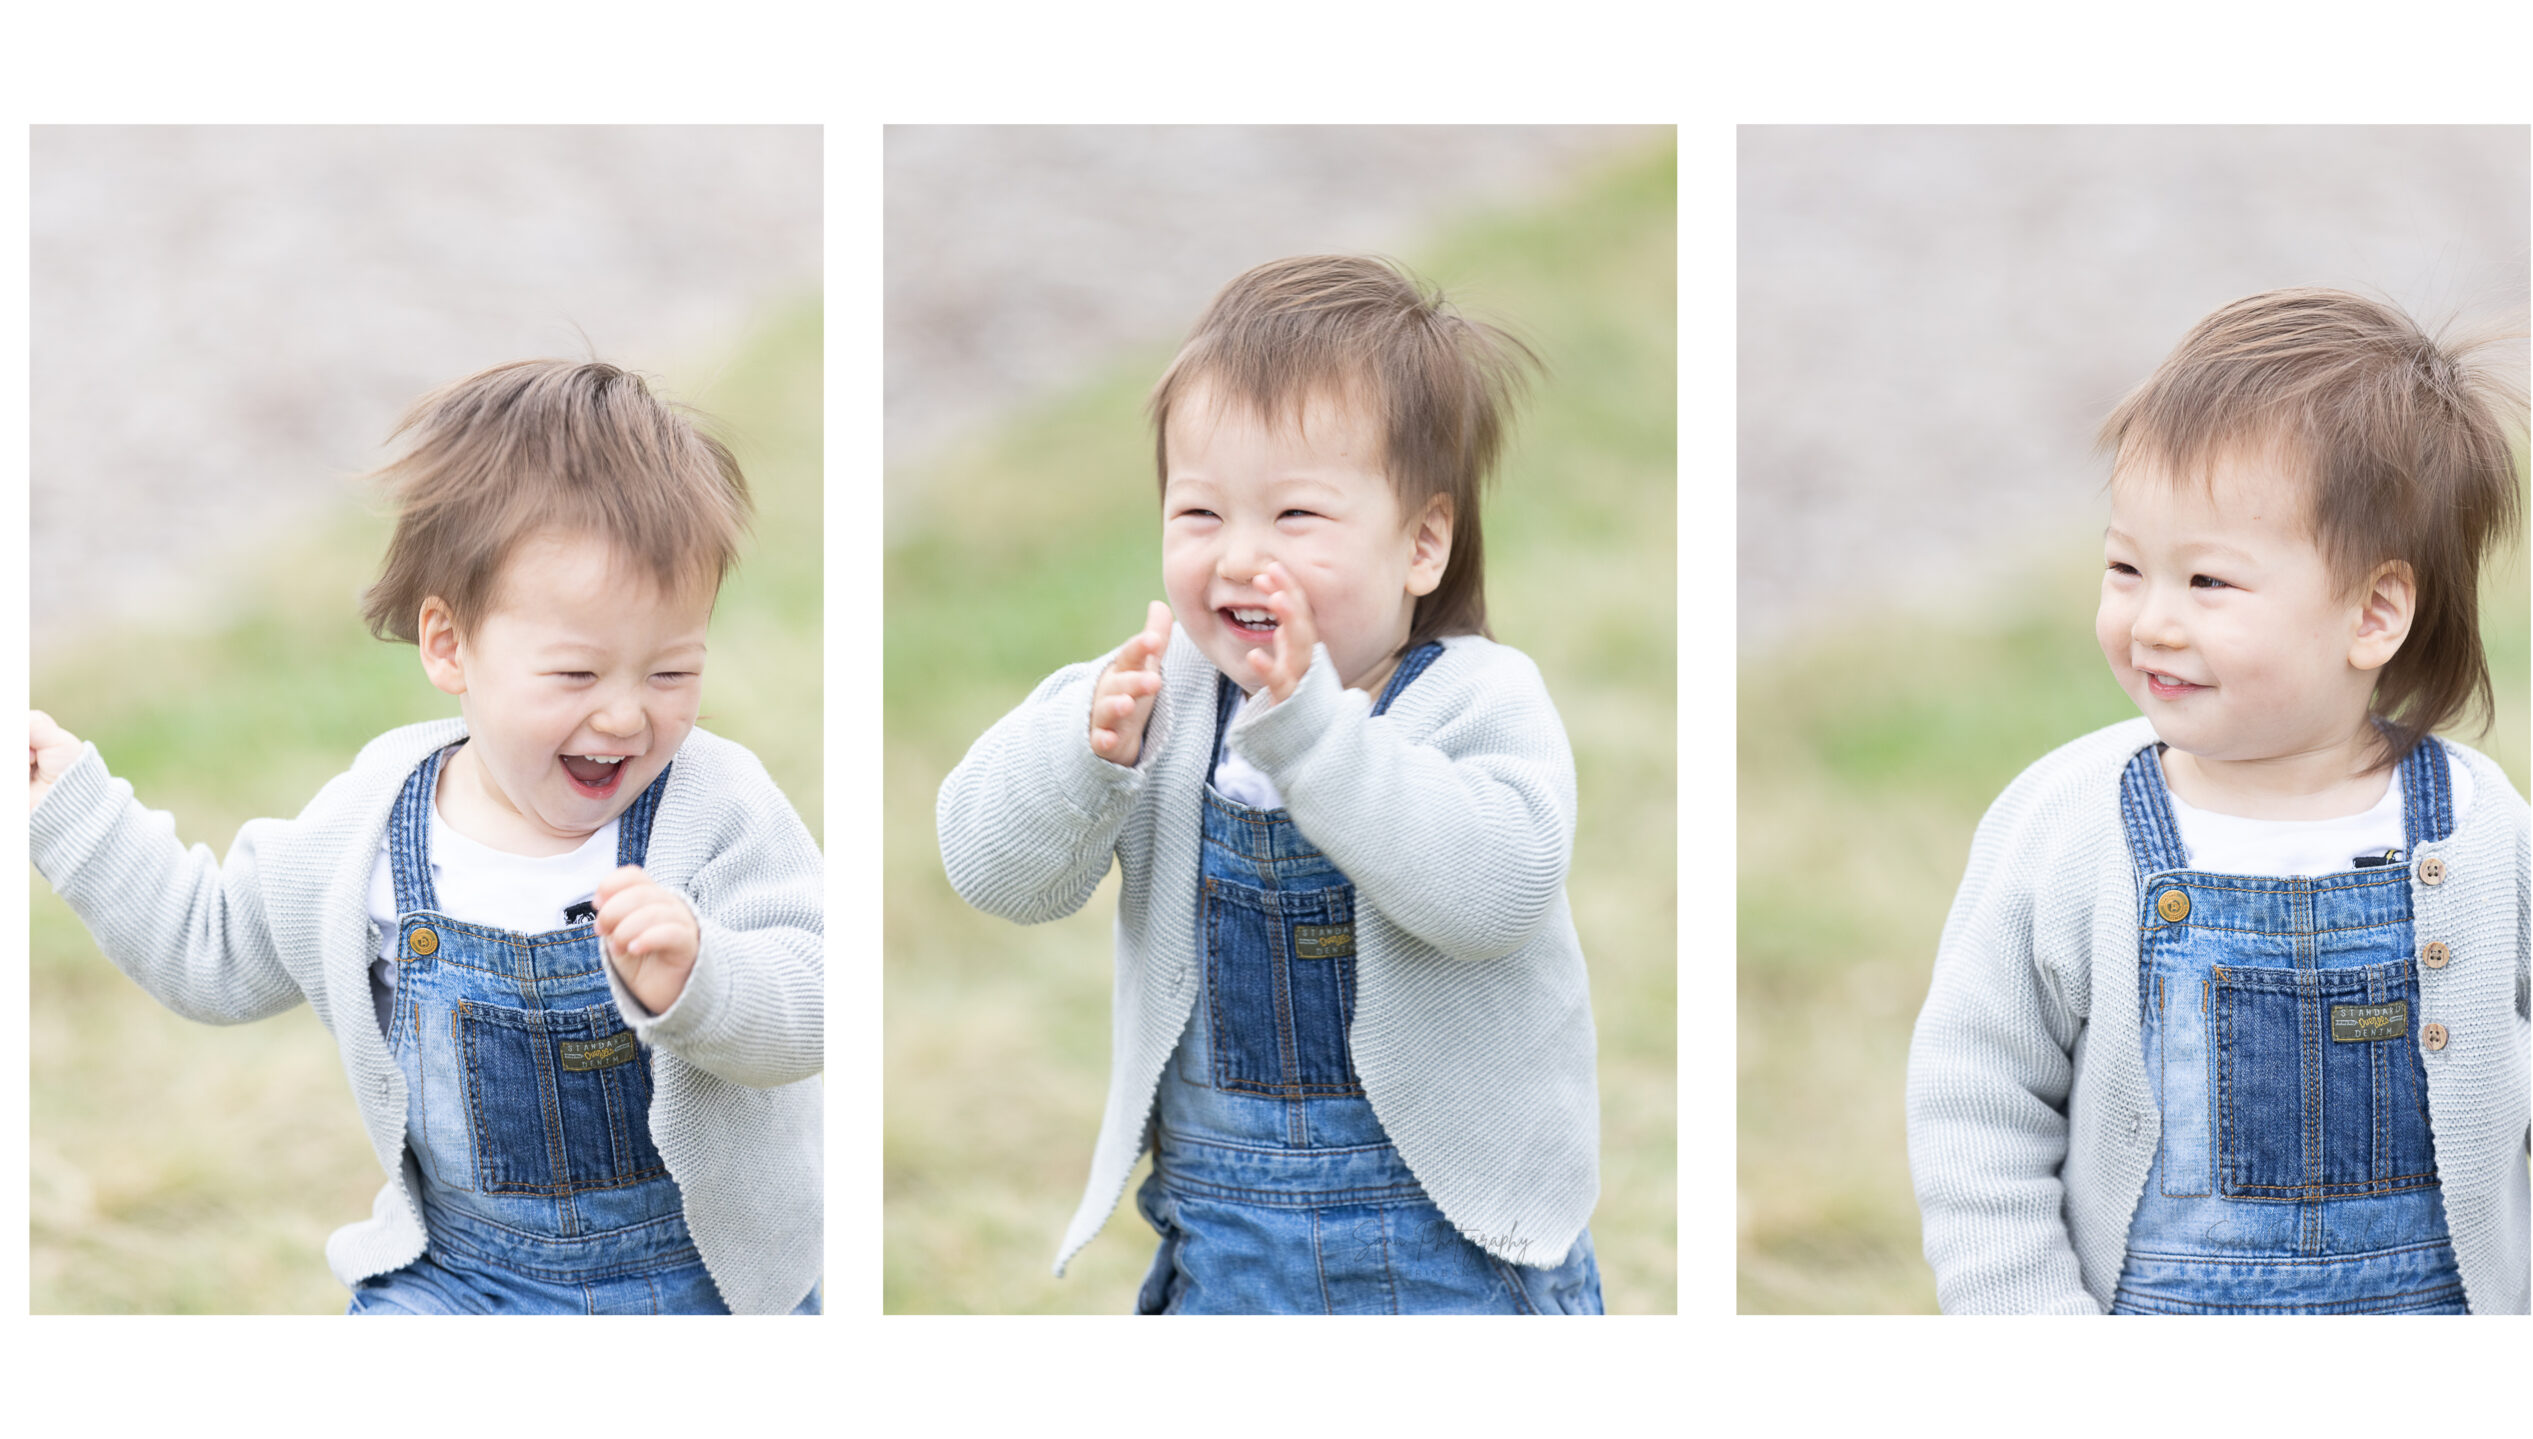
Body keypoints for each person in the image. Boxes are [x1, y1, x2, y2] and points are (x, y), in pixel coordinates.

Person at [29, 360, 822, 1313]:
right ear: (450, 647)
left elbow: (818, 1001)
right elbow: (213, 949)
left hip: (697, 1280)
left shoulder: (715, 807)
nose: (623, 718)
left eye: (669, 673)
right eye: (575, 675)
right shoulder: (375, 824)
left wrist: (705, 977)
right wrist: (70, 804)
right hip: (460, 1278)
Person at [939, 255, 1603, 1313]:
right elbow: (988, 869)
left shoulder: (1475, 700)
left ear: (1422, 541)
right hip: (1226, 1230)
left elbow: (1493, 891)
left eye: (1295, 517)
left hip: (1448, 1241)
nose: (1241, 556)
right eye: (1200, 514)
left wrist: (1314, 737)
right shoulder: (1159, 696)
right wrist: (1082, 757)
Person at [1907, 289, 2529, 1314]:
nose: (2150, 620)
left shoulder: (2478, 831)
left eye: (2206, 582)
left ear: (2373, 611)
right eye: (2123, 566)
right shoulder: (2069, 824)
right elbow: (1977, 1098)